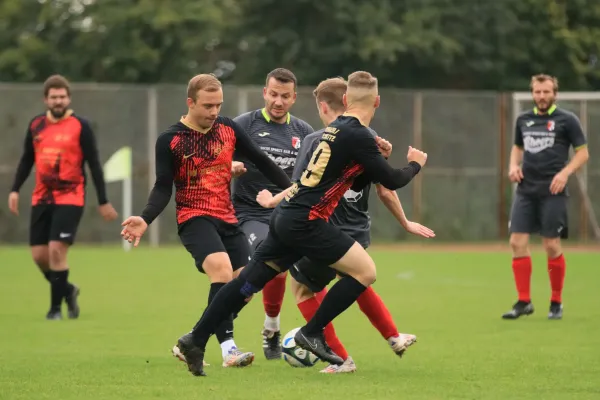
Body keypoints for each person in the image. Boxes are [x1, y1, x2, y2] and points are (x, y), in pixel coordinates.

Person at [173, 70, 428, 377]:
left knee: (247, 282)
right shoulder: (359, 135)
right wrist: (415, 164)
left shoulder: (338, 129)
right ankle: (313, 331)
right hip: (307, 222)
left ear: (346, 100)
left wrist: (374, 156)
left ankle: (195, 339)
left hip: (286, 218)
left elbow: (356, 180)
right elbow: (392, 179)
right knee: (365, 272)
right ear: (377, 102)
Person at [256, 76, 435, 373]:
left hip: (325, 228)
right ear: (372, 102)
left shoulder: (318, 139)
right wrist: (404, 221)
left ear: (324, 106)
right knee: (358, 277)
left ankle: (337, 356)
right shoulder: (369, 136)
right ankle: (392, 337)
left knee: (302, 288)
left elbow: (301, 187)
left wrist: (271, 202)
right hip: (358, 229)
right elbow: (384, 187)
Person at [119, 74, 292, 368]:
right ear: (190, 103)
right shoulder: (170, 140)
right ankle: (228, 350)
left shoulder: (227, 127)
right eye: (208, 105)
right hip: (194, 217)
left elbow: (261, 160)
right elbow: (163, 187)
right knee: (222, 271)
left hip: (228, 217)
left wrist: (294, 190)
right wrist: (145, 219)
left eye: (218, 105)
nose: (214, 112)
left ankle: (192, 337)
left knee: (245, 287)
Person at [8, 74, 118, 320]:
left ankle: (55, 309)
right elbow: (27, 159)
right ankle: (67, 290)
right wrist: (15, 189)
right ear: (45, 99)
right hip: (41, 197)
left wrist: (103, 200)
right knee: (39, 256)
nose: (58, 101)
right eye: (53, 97)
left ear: (68, 98)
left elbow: (94, 164)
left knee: (57, 250)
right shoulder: (36, 125)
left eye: (62, 96)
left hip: (71, 196)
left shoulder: (81, 125)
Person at [231, 68, 314, 360]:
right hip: (250, 213)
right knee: (270, 264)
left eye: (285, 96)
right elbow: (216, 157)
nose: (278, 101)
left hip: (289, 215)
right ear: (265, 92)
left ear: (294, 98)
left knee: (293, 274)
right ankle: (238, 333)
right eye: (273, 94)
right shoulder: (244, 125)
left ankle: (275, 328)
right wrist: (230, 166)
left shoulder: (304, 132)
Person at [503, 74, 589, 321]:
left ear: (555, 93)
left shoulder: (567, 120)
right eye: (538, 92)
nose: (541, 96)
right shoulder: (524, 120)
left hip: (553, 190)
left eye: (546, 92)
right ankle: (524, 301)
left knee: (551, 245)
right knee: (516, 242)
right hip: (526, 189)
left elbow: (583, 154)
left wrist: (565, 173)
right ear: (532, 93)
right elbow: (517, 148)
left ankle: (556, 301)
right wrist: (512, 166)